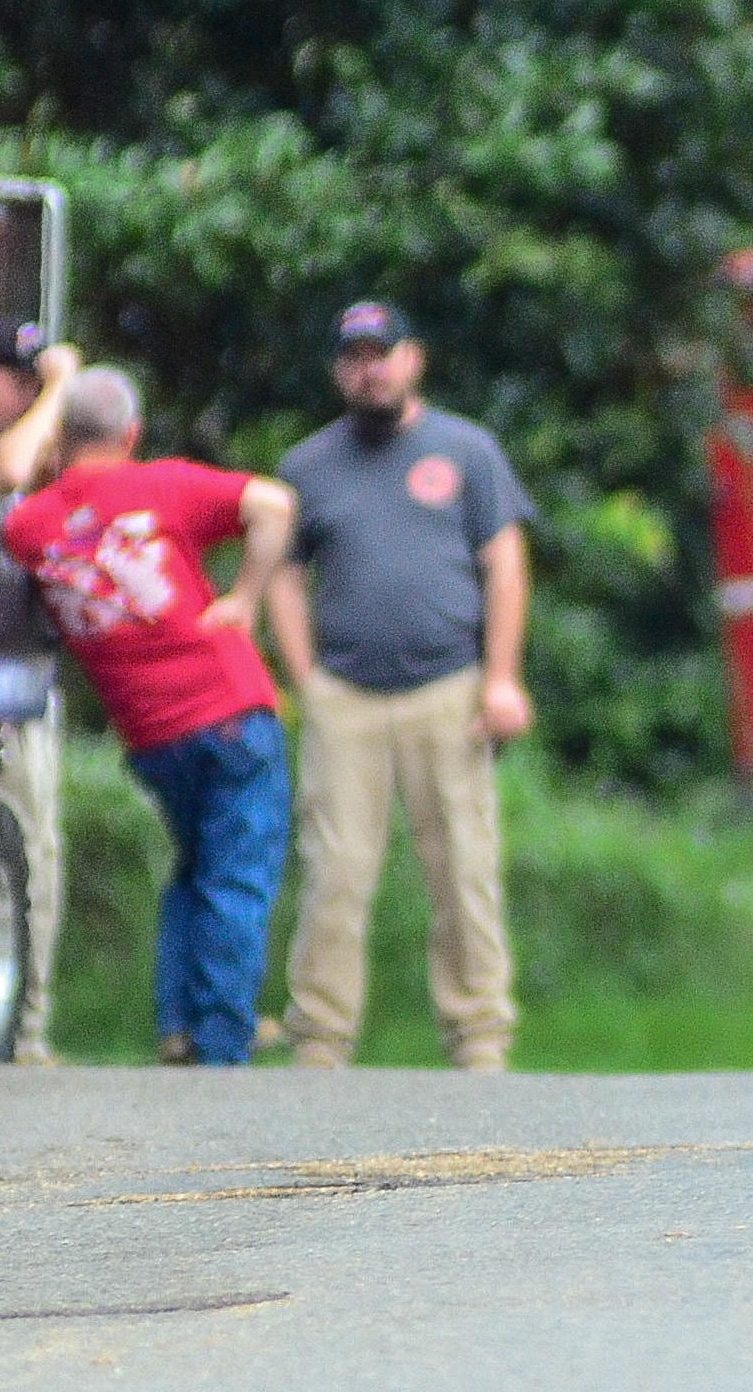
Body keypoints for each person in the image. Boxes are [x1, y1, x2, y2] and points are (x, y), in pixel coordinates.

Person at [3, 366, 299, 1065]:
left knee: (197, 869)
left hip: (152, 734)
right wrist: (245, 596)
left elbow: (14, 473)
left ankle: (180, 1025)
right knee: (236, 877)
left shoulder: (30, 525)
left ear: (61, 436)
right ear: (131, 435)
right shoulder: (163, 485)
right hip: (229, 708)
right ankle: (220, 1040)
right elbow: (275, 504)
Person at [266, 301, 535, 1072]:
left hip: (448, 688)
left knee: (465, 868)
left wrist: (502, 677)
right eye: (353, 356)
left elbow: (505, 563)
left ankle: (479, 1036)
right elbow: (283, 575)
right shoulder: (308, 465)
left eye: (382, 353)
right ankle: (320, 1040)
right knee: (336, 873)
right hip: (346, 695)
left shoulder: (467, 449)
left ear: (413, 358)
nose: (369, 369)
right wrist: (307, 679)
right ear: (337, 370)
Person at [0, 324, 80, 1064]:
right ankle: (13, 1025)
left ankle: (29, 1028)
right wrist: (61, 384)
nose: (30, 394)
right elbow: (7, 464)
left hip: (18, 688)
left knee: (37, 848)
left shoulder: (45, 455)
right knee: (11, 847)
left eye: (38, 382)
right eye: (19, 378)